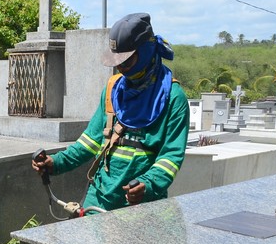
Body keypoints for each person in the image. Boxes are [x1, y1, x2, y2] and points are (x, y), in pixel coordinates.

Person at [32, 12, 190, 211]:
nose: (121, 68)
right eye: (117, 62)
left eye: (127, 61)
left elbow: (171, 157)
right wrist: (56, 162)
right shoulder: (113, 90)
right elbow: (89, 142)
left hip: (142, 207)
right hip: (98, 202)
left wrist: (147, 185)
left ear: (146, 52)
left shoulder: (173, 98)